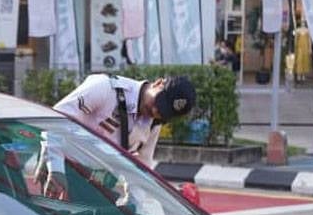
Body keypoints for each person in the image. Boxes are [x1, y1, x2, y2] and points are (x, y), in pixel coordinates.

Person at [38, 73, 196, 198]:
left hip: (99, 185)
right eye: (158, 103)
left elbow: (142, 165)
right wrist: (55, 167)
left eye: (163, 112)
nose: (155, 112)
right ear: (158, 84)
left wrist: (134, 200)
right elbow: (56, 120)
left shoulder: (154, 123)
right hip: (65, 171)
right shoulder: (106, 88)